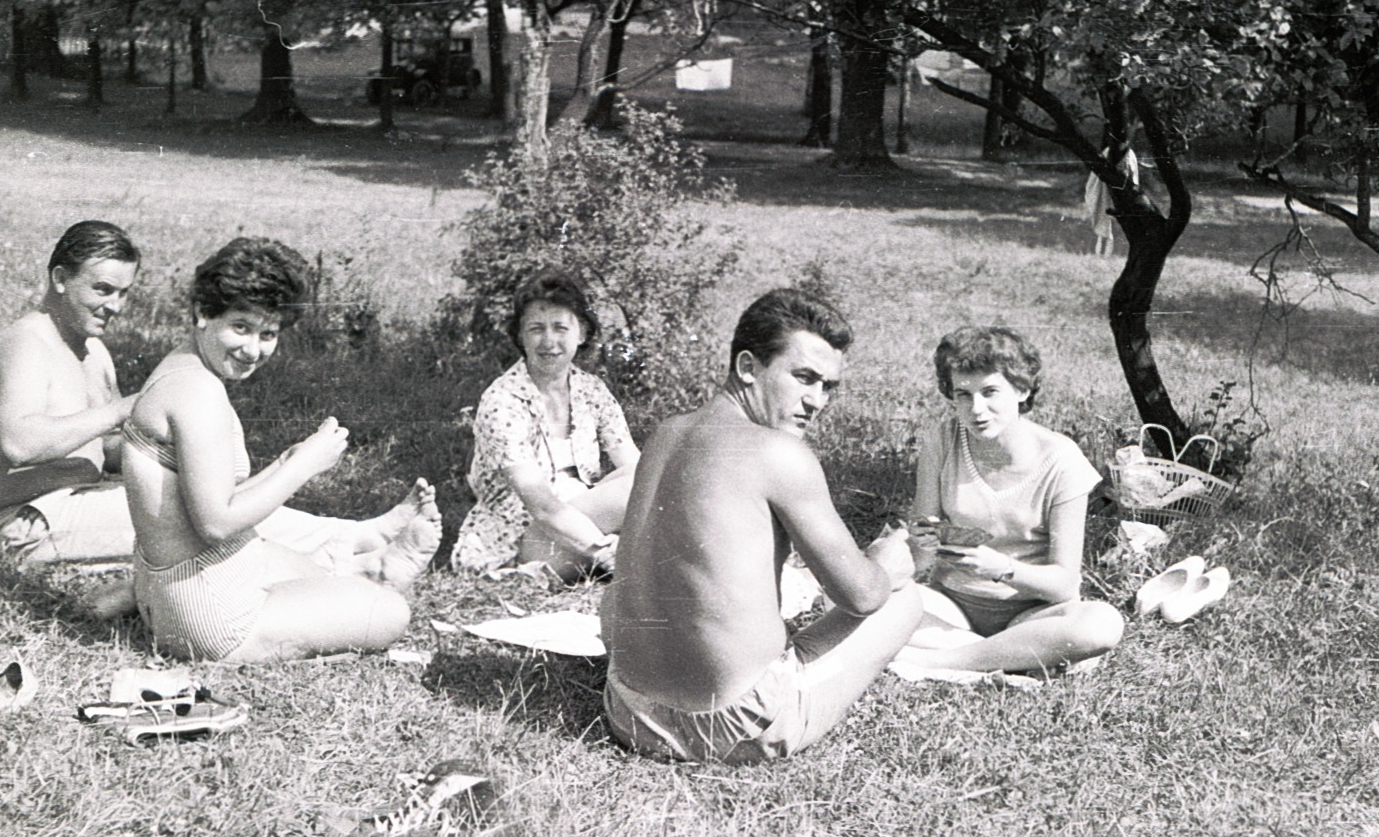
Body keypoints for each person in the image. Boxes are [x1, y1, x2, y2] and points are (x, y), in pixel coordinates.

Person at [600, 289, 922, 764]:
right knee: (905, 599)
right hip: (730, 727)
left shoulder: (667, 432)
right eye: (804, 378)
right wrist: (886, 564)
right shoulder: (779, 454)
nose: (817, 402)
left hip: (628, 711)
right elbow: (862, 597)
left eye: (828, 386)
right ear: (748, 368)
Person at [123, 237, 439, 662]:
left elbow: (206, 497)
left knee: (288, 559)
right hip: (209, 619)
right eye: (240, 327)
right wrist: (303, 467)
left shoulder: (182, 369)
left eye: (267, 333)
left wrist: (286, 459)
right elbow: (216, 522)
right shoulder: (198, 394)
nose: (253, 349)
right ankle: (370, 583)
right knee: (391, 613)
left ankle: (373, 567)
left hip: (178, 586)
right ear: (202, 312)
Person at [897, 326, 1123, 674]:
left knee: (1102, 623)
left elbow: (1064, 583)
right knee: (846, 595)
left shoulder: (1062, 461)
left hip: (1030, 615)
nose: (976, 409)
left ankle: (940, 660)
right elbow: (923, 536)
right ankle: (1006, 656)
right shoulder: (943, 439)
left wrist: (1001, 567)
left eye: (990, 392)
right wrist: (920, 541)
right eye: (962, 394)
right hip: (951, 606)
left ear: (1021, 389)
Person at [0, 220, 142, 563]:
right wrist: (122, 410)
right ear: (60, 279)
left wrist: (168, 439)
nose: (116, 306)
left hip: (79, 503)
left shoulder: (94, 352)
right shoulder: (27, 343)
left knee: (199, 502)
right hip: (22, 524)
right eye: (103, 289)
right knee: (190, 522)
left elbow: (108, 447)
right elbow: (20, 443)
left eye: (124, 293)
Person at [452, 269, 640, 580]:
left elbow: (635, 466)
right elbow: (541, 506)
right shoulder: (503, 400)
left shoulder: (591, 390)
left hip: (578, 524)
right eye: (536, 329)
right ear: (520, 336)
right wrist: (605, 551)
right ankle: (626, 555)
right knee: (638, 487)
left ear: (581, 334)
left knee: (652, 475)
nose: (549, 341)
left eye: (560, 328)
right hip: (520, 540)